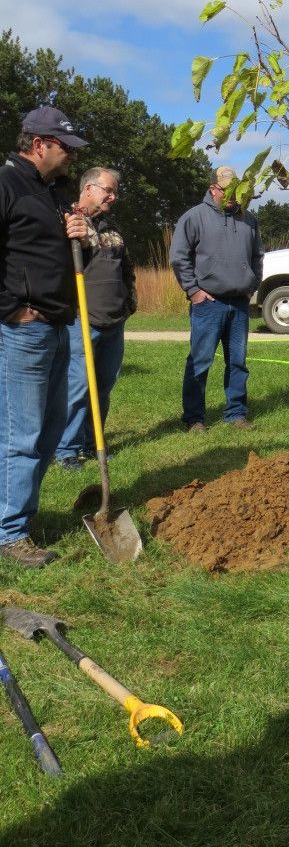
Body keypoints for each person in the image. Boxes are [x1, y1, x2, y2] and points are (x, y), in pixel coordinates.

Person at [0, 106, 89, 568]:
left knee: (50, 429)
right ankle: (9, 535)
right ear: (39, 145)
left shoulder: (52, 193)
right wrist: (12, 310)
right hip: (25, 331)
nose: (70, 158)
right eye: (65, 149)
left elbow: (64, 260)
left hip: (58, 326)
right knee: (22, 433)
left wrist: (80, 236)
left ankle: (21, 519)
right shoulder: (7, 183)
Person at [170, 166, 263, 432]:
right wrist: (193, 291)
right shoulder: (194, 217)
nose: (233, 195)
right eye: (227, 190)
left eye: (237, 190)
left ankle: (236, 413)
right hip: (207, 304)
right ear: (213, 189)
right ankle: (194, 418)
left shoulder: (249, 220)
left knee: (237, 362)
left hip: (240, 304)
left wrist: (252, 285)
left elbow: (258, 257)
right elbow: (179, 257)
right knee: (200, 361)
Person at [55, 168, 137, 469]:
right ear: (88, 188)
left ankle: (92, 444)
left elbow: (126, 268)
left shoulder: (112, 229)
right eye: (108, 190)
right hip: (82, 320)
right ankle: (66, 449)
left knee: (103, 387)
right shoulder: (69, 222)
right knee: (78, 386)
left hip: (114, 321)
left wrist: (130, 301)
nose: (113, 197)